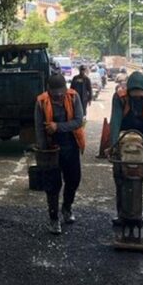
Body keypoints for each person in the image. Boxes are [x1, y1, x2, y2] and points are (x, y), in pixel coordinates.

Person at [109, 71, 143, 226]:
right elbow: (115, 121)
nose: (138, 97)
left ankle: (136, 212)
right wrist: (113, 145)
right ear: (130, 92)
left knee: (140, 173)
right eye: (135, 95)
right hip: (122, 137)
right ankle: (121, 214)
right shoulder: (119, 97)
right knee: (119, 175)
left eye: (141, 95)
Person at [34, 74, 86, 235]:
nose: (58, 96)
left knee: (74, 180)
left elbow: (79, 121)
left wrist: (58, 126)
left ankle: (67, 208)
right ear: (48, 90)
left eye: (60, 93)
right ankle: (53, 218)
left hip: (71, 145)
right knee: (52, 185)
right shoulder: (41, 101)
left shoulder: (73, 97)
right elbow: (39, 128)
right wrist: (43, 151)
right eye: (55, 93)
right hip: (51, 149)